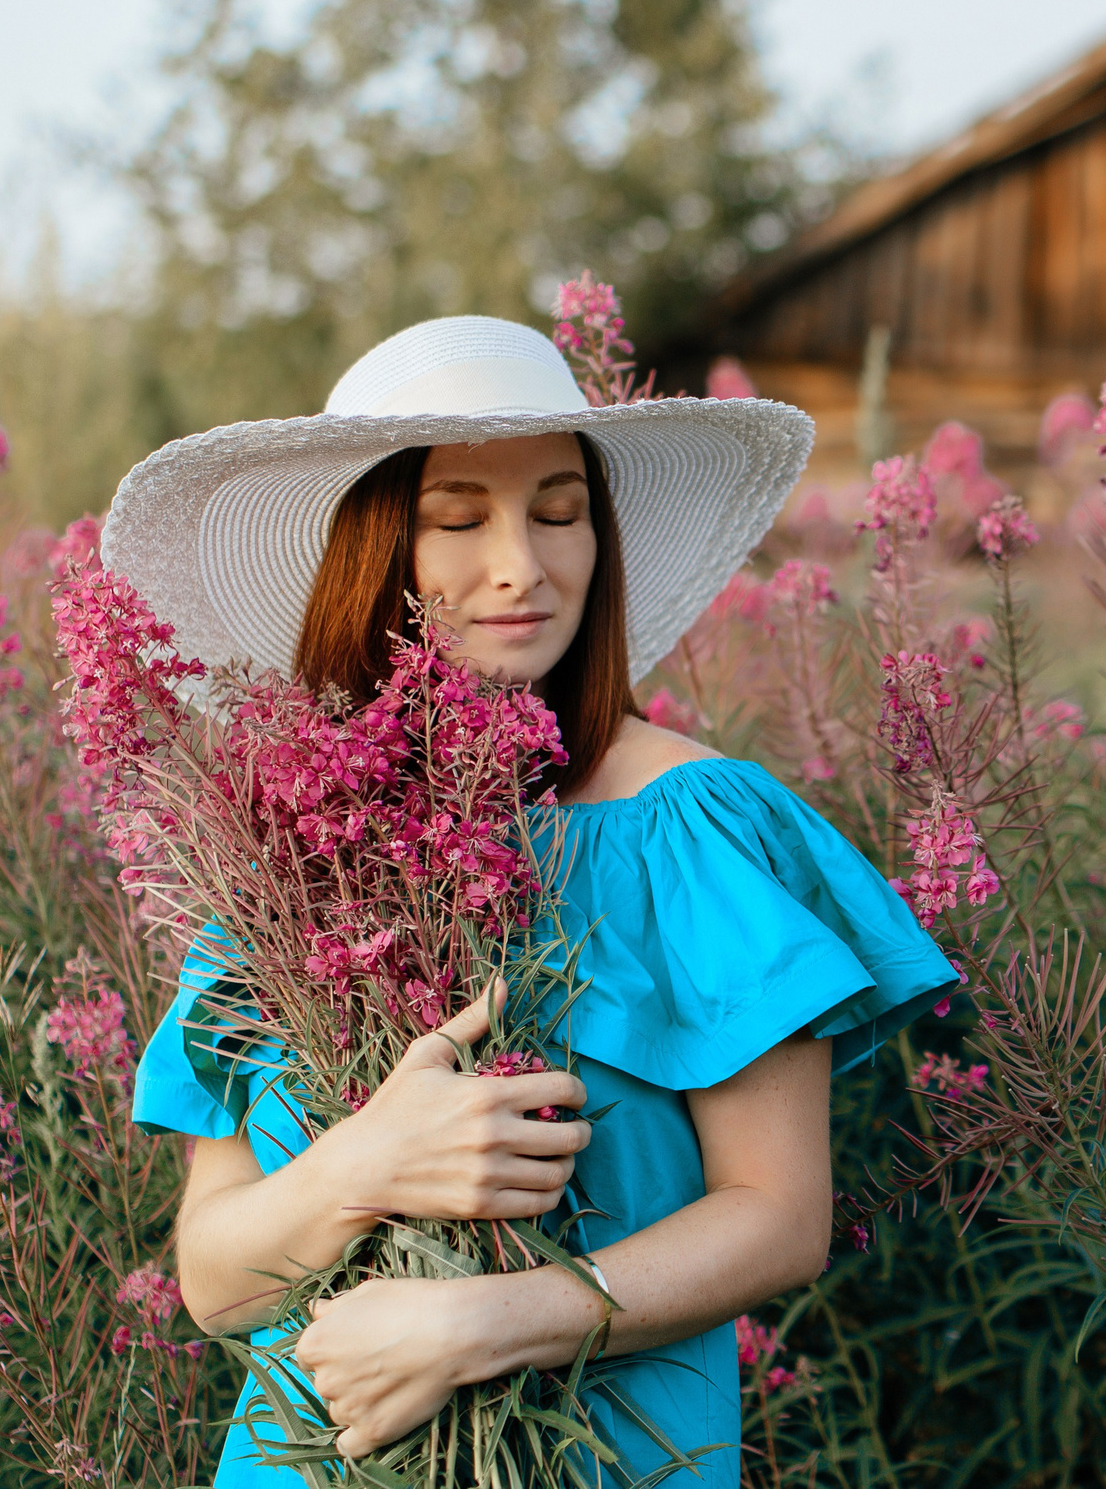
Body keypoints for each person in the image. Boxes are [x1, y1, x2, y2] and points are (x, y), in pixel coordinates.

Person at [108, 315, 956, 1483]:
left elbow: (778, 1215)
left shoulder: (693, 827)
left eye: (559, 512)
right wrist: (365, 1167)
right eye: (459, 519)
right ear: (375, 557)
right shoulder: (284, 856)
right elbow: (213, 1279)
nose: (522, 563)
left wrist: (489, 1322)